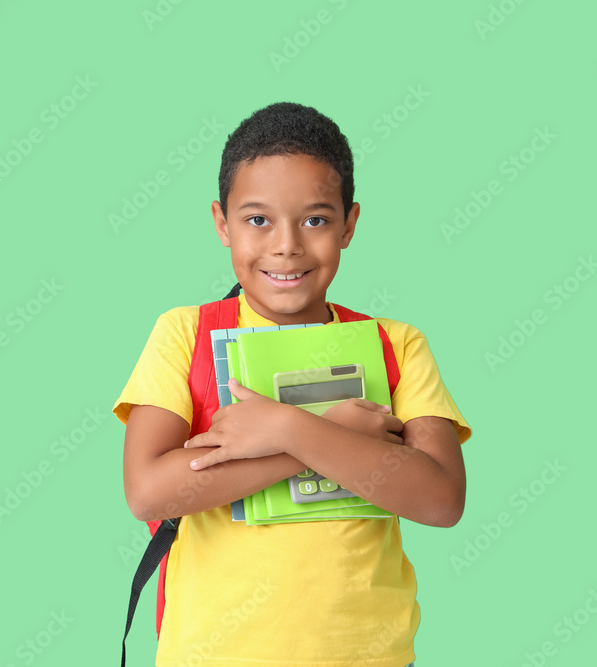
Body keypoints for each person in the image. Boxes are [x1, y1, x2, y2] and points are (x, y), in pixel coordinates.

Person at [113, 102, 472, 666]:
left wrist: (283, 428)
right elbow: (149, 492)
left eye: (316, 220)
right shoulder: (185, 335)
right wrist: (320, 436)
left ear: (349, 224)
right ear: (221, 223)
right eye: (258, 220)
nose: (287, 245)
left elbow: (441, 499)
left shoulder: (395, 344)